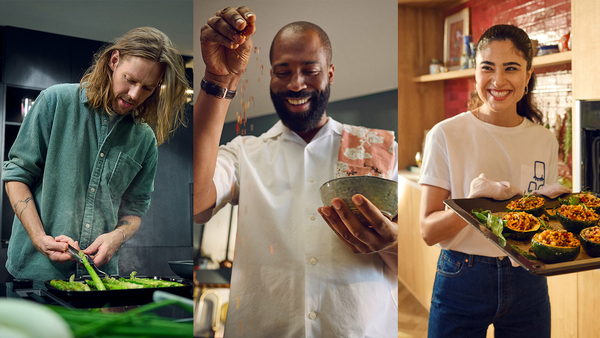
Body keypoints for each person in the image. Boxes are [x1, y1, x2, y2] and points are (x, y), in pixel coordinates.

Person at [194, 6, 398, 337]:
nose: (296, 83)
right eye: (283, 71)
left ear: (330, 73)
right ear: (271, 75)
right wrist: (218, 79)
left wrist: (392, 244)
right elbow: (197, 203)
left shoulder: (380, 148)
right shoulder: (244, 153)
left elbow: (413, 268)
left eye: (310, 70)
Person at [3, 27, 189, 281]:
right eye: (131, 80)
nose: (135, 95)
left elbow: (134, 211)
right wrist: (38, 237)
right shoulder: (55, 101)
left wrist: (116, 237)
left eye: (147, 88)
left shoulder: (144, 139)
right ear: (114, 61)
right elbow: (16, 176)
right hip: (35, 271)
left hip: (99, 277)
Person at [419, 24, 557, 337]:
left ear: (528, 75)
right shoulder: (445, 135)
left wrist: (554, 208)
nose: (498, 81)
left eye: (511, 68)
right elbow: (428, 231)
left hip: (528, 279)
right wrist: (475, 206)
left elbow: (541, 224)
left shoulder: (544, 140)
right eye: (487, 68)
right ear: (475, 73)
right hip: (461, 277)